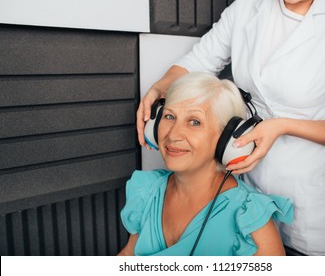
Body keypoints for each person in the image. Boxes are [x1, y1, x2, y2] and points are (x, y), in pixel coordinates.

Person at [136, 0, 325, 255]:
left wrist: (282, 126)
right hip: (247, 190)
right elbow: (198, 61)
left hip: (314, 208)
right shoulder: (249, 3)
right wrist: (161, 86)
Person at [118, 73, 293, 256]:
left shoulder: (249, 216)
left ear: (226, 138)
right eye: (169, 117)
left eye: (194, 122)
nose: (173, 135)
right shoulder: (147, 191)